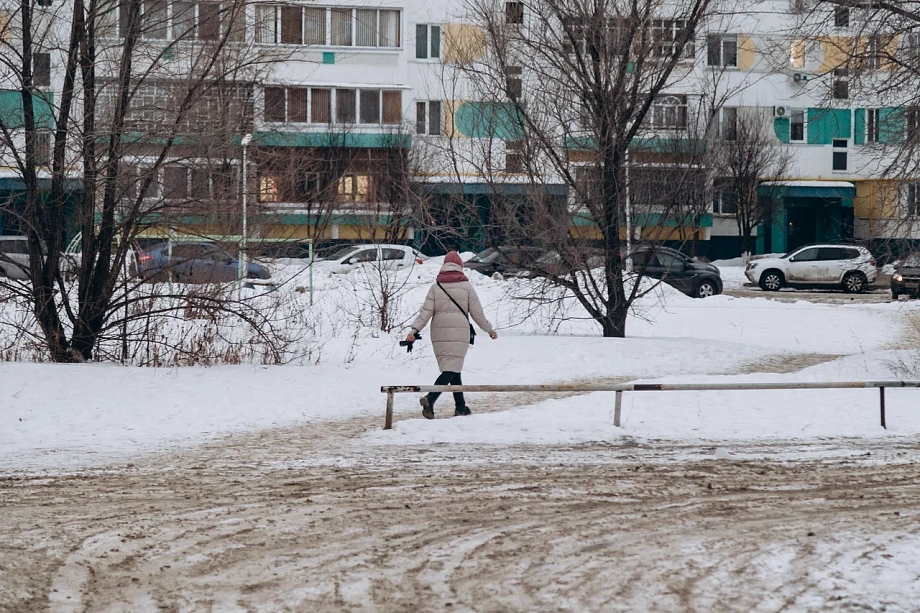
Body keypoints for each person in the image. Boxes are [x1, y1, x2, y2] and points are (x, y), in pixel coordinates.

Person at [407, 251, 497, 419]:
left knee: (454, 368)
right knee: (451, 368)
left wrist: (414, 330)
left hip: (438, 333)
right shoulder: (467, 287)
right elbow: (477, 314)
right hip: (459, 333)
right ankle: (430, 398)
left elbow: (425, 313)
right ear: (460, 266)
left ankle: (460, 407)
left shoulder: (436, 287)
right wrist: (489, 330)